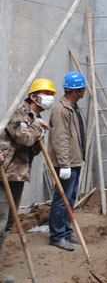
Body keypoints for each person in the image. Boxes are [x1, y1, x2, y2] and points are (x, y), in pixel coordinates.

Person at [0, 79, 54, 280]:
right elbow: (26, 138)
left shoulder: (33, 119)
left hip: (17, 175)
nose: (49, 98)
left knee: (6, 226)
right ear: (33, 96)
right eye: (45, 93)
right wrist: (38, 128)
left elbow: (34, 148)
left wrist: (36, 129)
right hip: (3, 174)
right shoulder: (19, 113)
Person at [48, 71, 87, 251]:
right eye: (82, 89)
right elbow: (60, 139)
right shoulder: (60, 110)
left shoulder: (74, 107)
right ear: (75, 91)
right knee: (61, 199)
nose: (84, 91)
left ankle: (65, 231)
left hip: (75, 160)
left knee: (70, 198)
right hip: (66, 163)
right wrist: (64, 165)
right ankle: (57, 235)